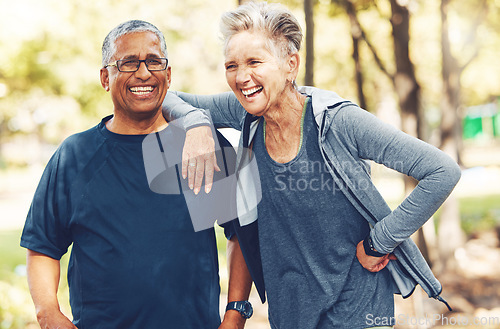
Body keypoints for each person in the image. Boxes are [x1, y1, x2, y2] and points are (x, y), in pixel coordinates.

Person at [162, 2, 462, 329]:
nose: (241, 76)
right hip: (290, 313)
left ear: (291, 65)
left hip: (357, 309)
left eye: (254, 62)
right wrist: (196, 124)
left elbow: (442, 171)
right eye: (231, 65)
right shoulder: (246, 114)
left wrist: (380, 241)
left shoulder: (338, 123)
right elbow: (163, 96)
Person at [20, 20, 252, 329]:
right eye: (129, 63)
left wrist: (235, 314)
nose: (143, 73)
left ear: (168, 75)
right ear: (105, 77)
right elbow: (42, 245)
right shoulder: (74, 155)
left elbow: (241, 231)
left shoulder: (202, 146)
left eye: (154, 61)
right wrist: (48, 313)